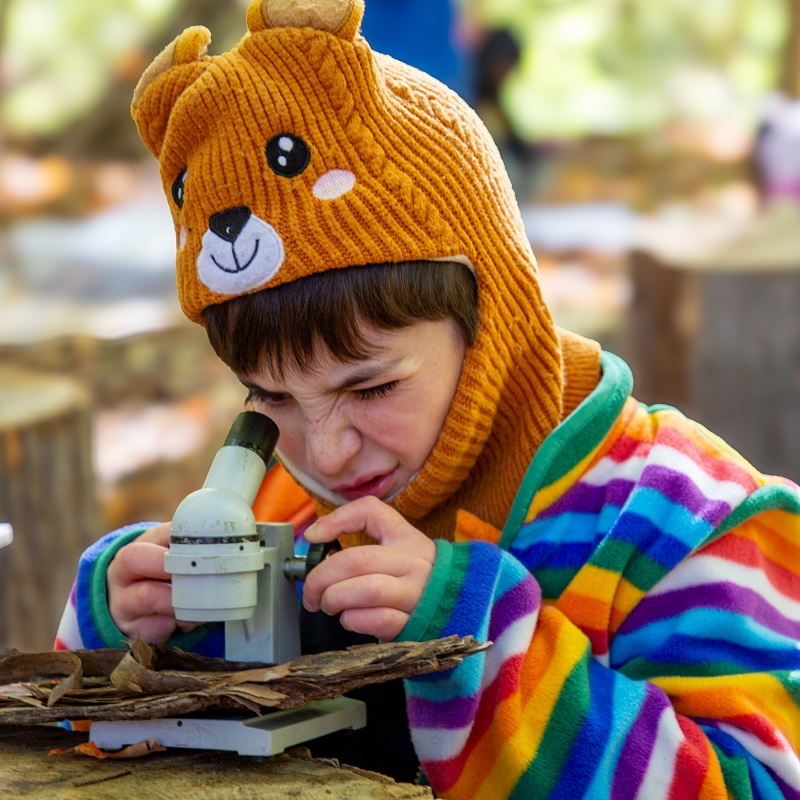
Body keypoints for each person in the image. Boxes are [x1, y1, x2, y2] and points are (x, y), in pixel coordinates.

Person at [56, 0, 800, 796]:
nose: (327, 453)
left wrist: (482, 636)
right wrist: (125, 633)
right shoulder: (285, 512)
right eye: (271, 398)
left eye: (370, 386)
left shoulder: (688, 525)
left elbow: (758, 788)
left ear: (492, 324)